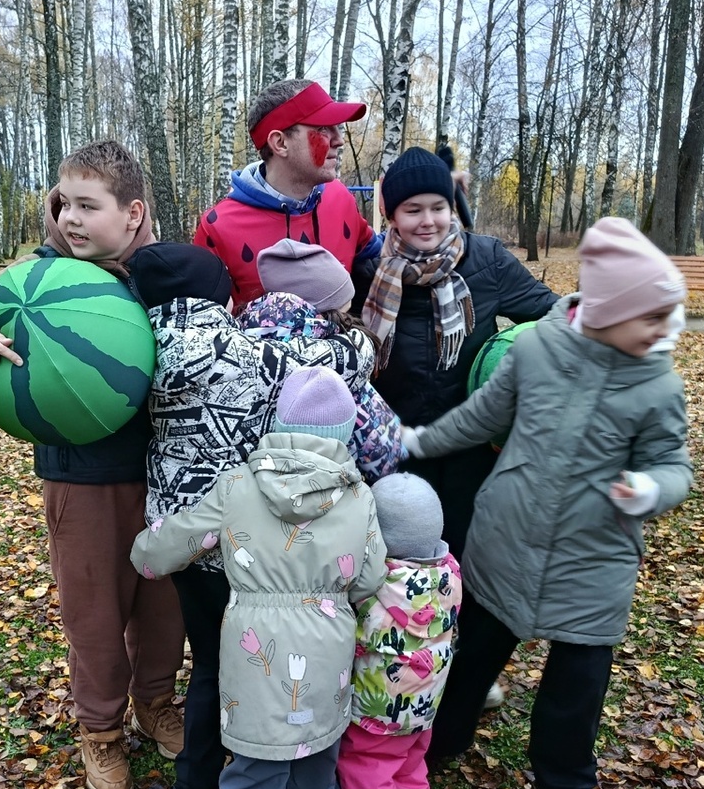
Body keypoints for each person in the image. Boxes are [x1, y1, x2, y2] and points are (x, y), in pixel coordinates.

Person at [399, 216, 694, 789]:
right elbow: (480, 417)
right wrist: (419, 440)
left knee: (579, 679)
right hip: (508, 537)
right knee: (473, 655)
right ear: (610, 310)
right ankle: (439, 741)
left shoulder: (657, 384)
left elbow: (673, 467)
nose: (664, 331)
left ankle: (565, 779)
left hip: (596, 557)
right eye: (650, 317)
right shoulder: (536, 349)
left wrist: (649, 488)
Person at [0, 141, 185, 789]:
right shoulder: (43, 273)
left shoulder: (162, 271)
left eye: (86, 206)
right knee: (94, 618)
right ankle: (100, 732)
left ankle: (156, 703)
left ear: (132, 214)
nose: (69, 218)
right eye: (63, 202)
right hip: (82, 480)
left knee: (163, 611)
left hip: (167, 479)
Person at [125, 241, 376, 789]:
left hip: (181, 533)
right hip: (249, 535)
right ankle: (274, 785)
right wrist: (352, 333)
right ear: (217, 295)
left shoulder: (140, 349)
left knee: (211, 662)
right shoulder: (235, 349)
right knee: (235, 665)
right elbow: (325, 374)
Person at [131, 367, 388, 789]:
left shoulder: (237, 486)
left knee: (255, 763)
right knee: (318, 745)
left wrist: (145, 553)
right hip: (328, 647)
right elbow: (371, 575)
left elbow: (169, 545)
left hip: (255, 652)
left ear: (278, 421)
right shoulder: (359, 498)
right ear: (344, 434)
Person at [355, 145, 560, 717]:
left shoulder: (488, 259)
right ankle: (386, 666)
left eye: (439, 206)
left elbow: (549, 318)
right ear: (392, 216)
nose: (427, 221)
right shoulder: (368, 268)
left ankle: (454, 664)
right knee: (392, 563)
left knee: (464, 559)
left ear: (455, 205)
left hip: (471, 445)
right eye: (412, 209)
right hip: (392, 449)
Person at [337, 472, 461, 789]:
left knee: (368, 759)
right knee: (412, 748)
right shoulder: (450, 575)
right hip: (425, 699)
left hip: (378, 706)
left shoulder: (374, 586)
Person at [194, 79, 382, 308]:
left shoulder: (340, 197)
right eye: (323, 128)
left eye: (337, 127)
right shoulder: (217, 227)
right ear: (280, 143)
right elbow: (204, 322)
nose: (339, 140)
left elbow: (376, 252)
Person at [239, 239, 404, 483]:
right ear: (327, 313)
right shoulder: (341, 363)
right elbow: (381, 450)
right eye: (346, 311)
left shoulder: (241, 335)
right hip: (329, 487)